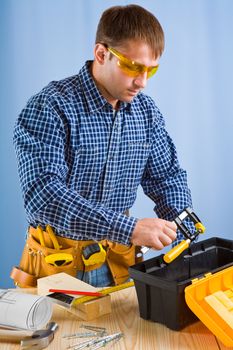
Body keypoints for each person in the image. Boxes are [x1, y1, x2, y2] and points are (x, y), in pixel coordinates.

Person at [13, 4, 193, 288]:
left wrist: (182, 223)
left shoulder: (146, 112)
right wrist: (129, 228)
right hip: (57, 265)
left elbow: (166, 176)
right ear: (101, 53)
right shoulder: (50, 106)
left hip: (120, 262)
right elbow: (44, 195)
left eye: (151, 70)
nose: (142, 82)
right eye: (133, 67)